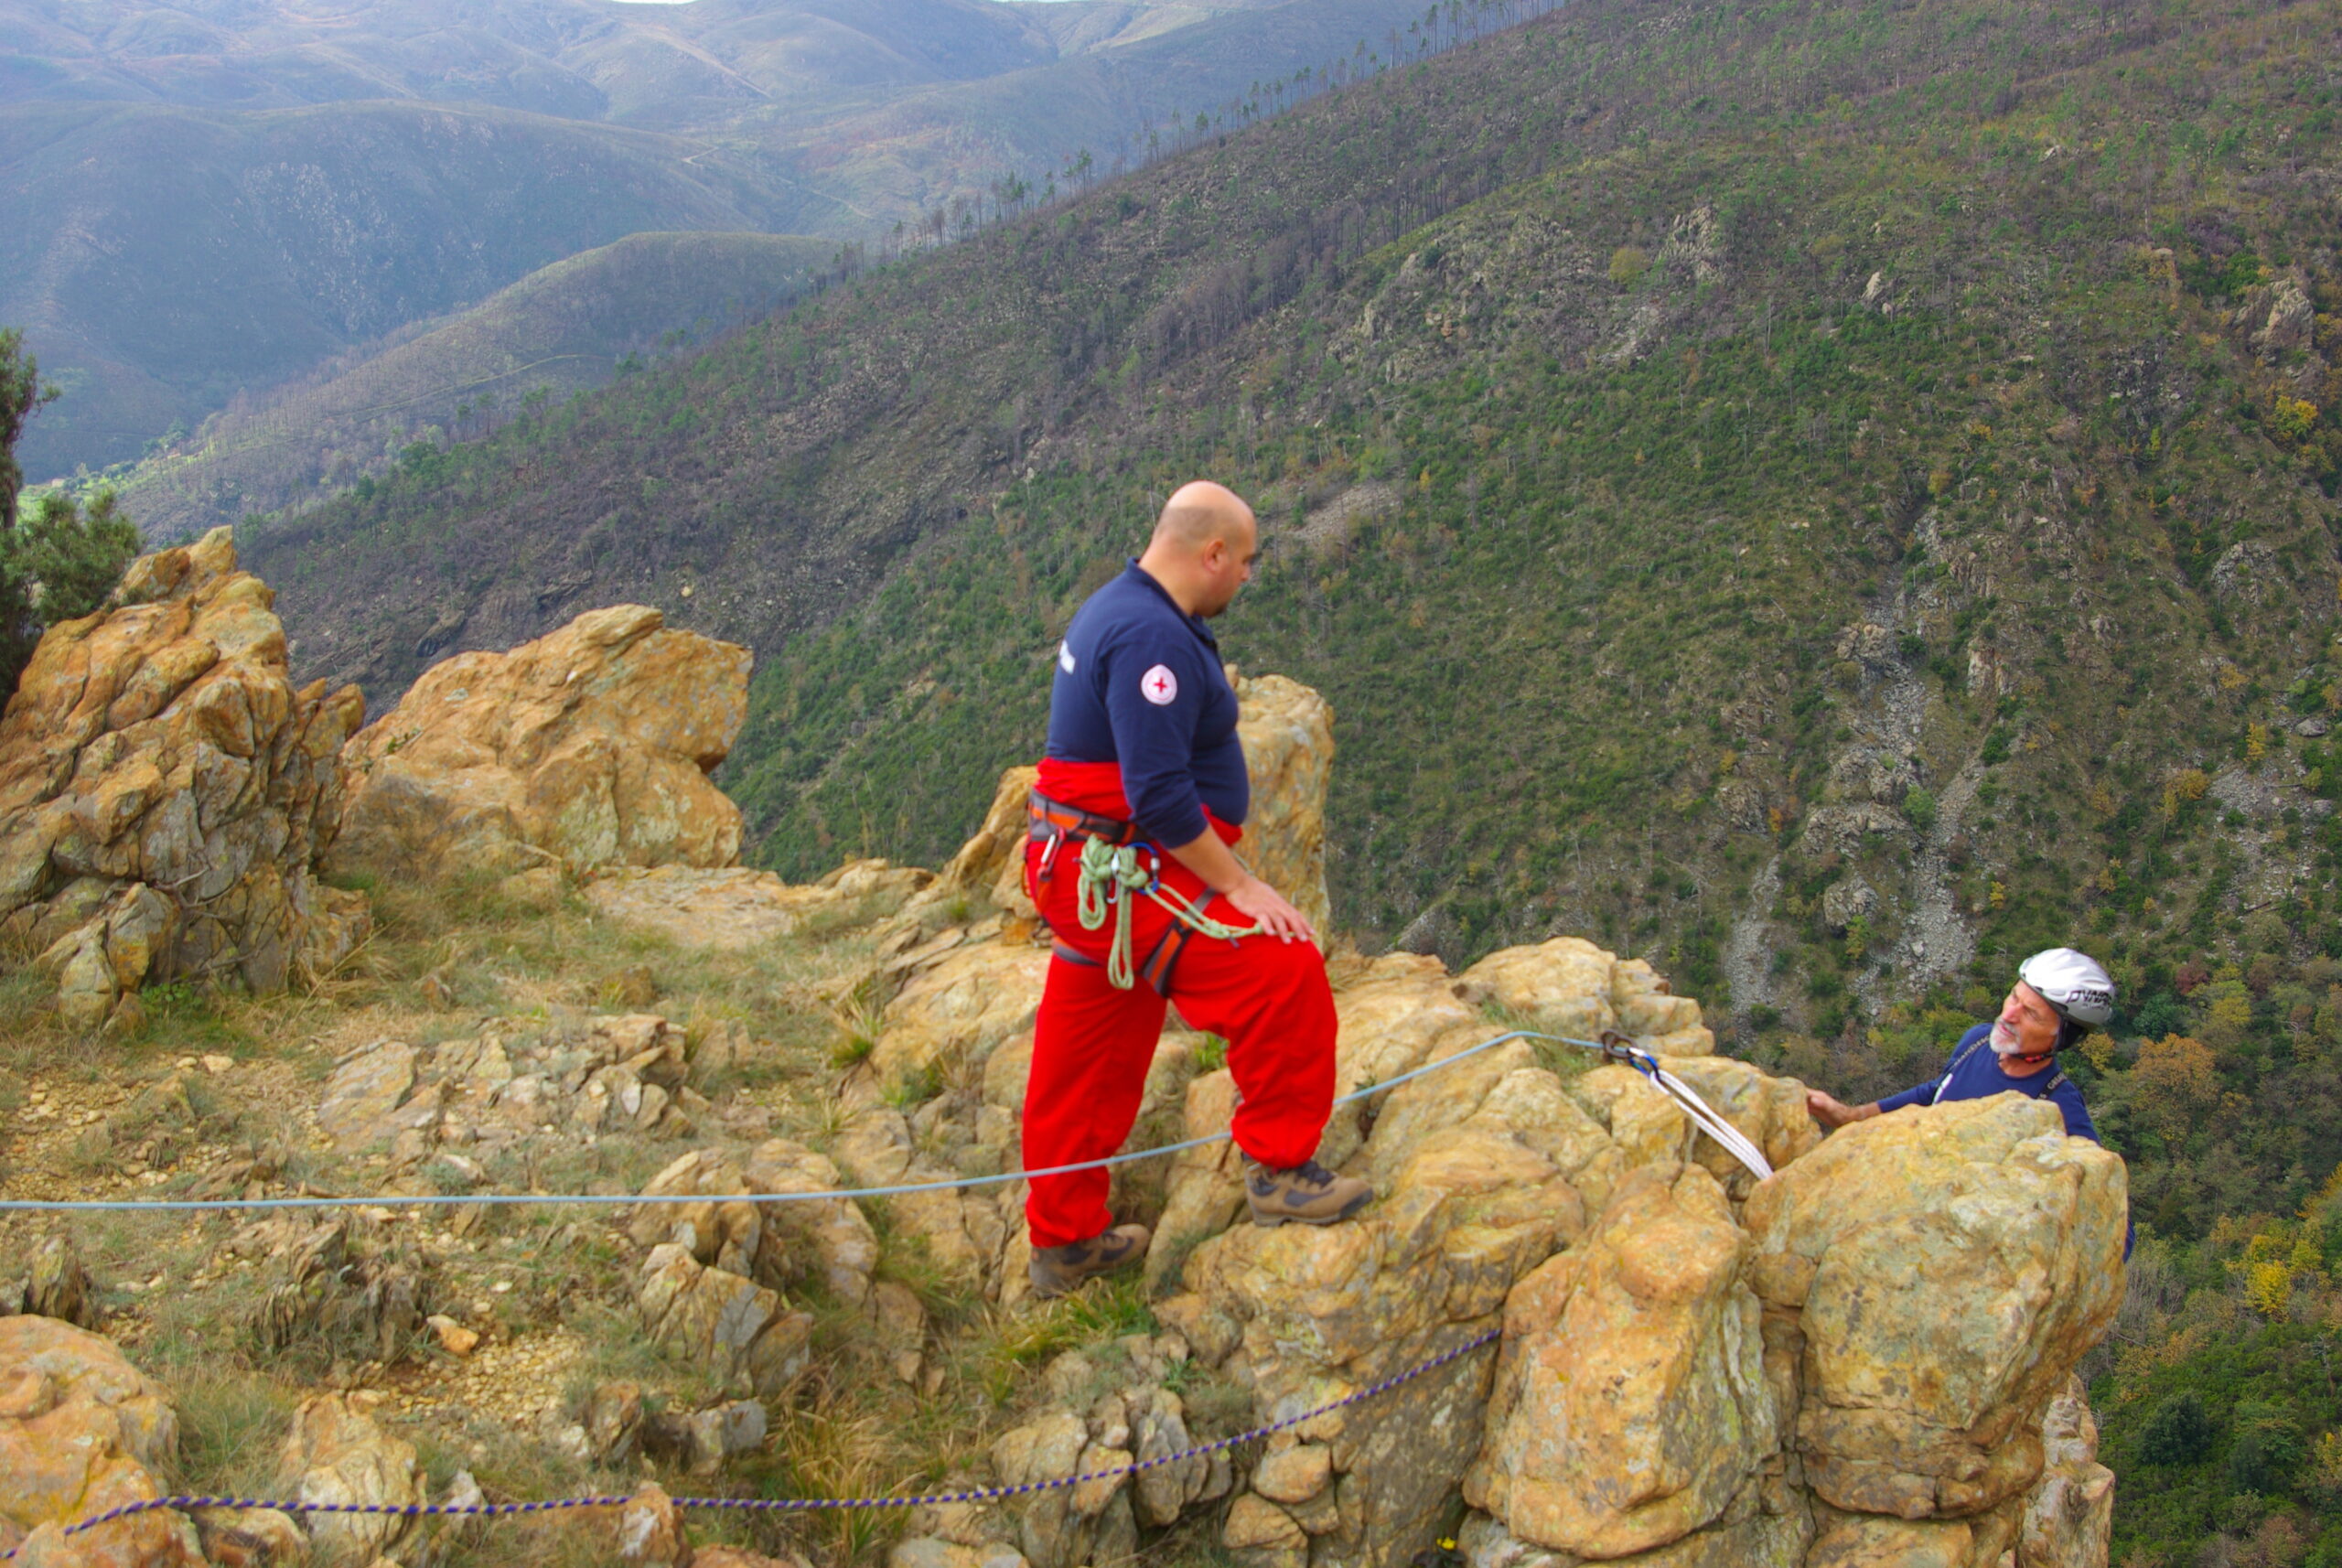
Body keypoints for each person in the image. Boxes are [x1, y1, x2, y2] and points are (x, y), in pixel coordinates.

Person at [1018, 480, 1370, 1299]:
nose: (1247, 576)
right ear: (1209, 553)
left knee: (1091, 1044)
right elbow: (1161, 797)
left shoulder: (1127, 604)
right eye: (1243, 561)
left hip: (1087, 863)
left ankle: (1063, 1242)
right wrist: (1242, 885)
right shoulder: (1152, 640)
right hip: (1121, 867)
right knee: (1282, 971)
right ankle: (1281, 1171)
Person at [1805, 947, 2117, 1143]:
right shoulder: (1978, 1041)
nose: (2007, 1014)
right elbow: (1935, 1093)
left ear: (2061, 1038)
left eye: (2030, 1013)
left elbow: (2115, 1219)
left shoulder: (2057, 1105)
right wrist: (1849, 1116)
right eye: (2013, 997)